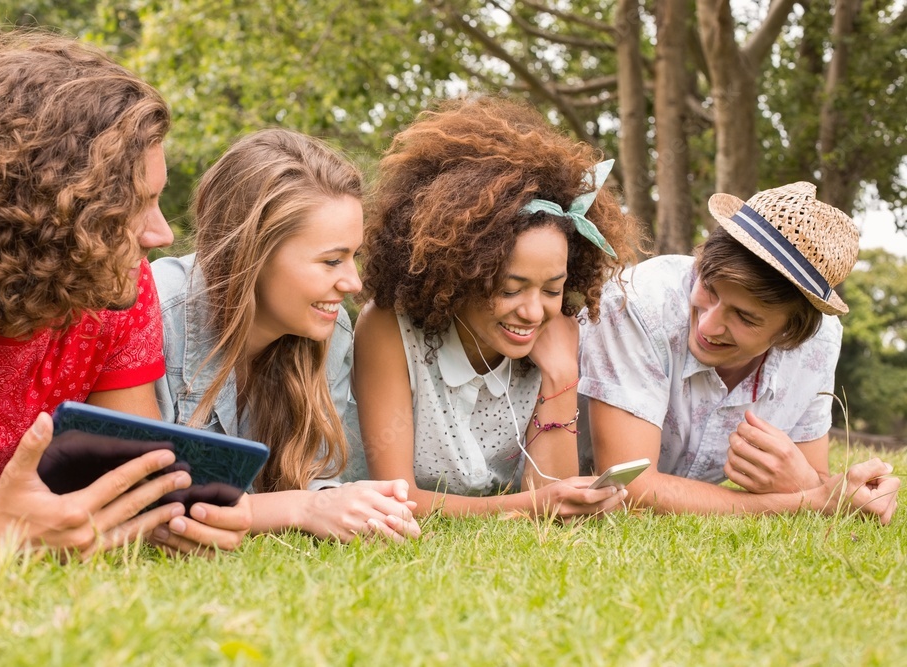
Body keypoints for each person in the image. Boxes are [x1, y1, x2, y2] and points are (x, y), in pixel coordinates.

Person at [0, 31, 205, 555]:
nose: (161, 235)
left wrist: (170, 516)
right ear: (40, 208)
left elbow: (127, 474)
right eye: (133, 205)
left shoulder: (116, 286)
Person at [352, 97, 640, 520]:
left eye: (551, 288)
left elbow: (556, 509)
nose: (532, 312)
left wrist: (561, 376)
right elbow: (396, 498)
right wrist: (530, 505)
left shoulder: (552, 335)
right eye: (510, 289)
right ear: (458, 274)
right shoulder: (388, 328)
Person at [152, 129, 419, 548]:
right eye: (331, 261)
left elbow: (313, 478)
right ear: (252, 253)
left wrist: (350, 504)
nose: (353, 283)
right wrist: (301, 509)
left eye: (354, 257)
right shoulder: (157, 314)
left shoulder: (329, 335)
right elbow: (147, 494)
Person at [578, 181, 900, 522]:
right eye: (709, 289)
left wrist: (814, 486)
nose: (708, 326)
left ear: (792, 331)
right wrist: (811, 502)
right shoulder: (639, 302)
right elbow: (629, 488)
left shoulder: (818, 344)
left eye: (745, 317)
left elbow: (813, 480)